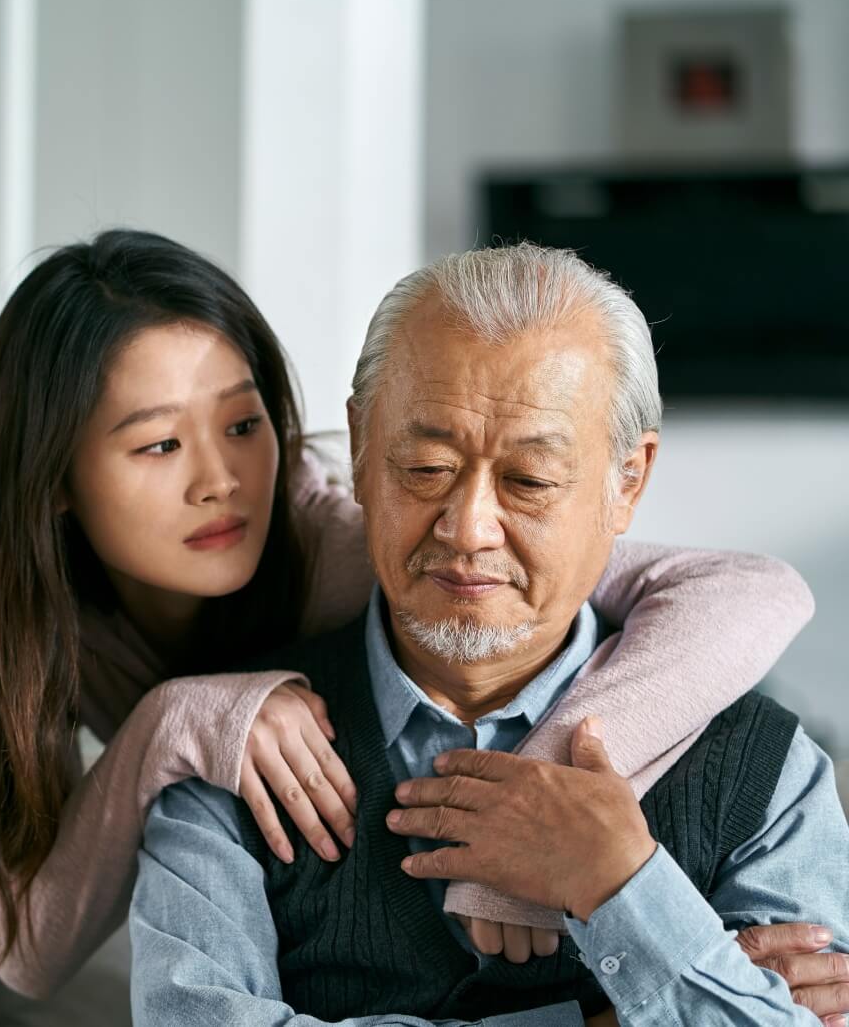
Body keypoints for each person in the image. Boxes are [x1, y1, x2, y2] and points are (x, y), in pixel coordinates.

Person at [0, 230, 819, 998]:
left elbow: (751, 591)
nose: (220, 481)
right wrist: (172, 722)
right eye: (160, 444)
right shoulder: (13, 631)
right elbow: (25, 952)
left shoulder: (351, 539)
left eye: (245, 424)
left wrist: (537, 802)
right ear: (52, 476)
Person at [129, 242, 848, 1025]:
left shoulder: (765, 769)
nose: (468, 529)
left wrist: (617, 881)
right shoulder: (237, 760)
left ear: (628, 481)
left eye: (529, 481)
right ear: (362, 446)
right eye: (426, 468)